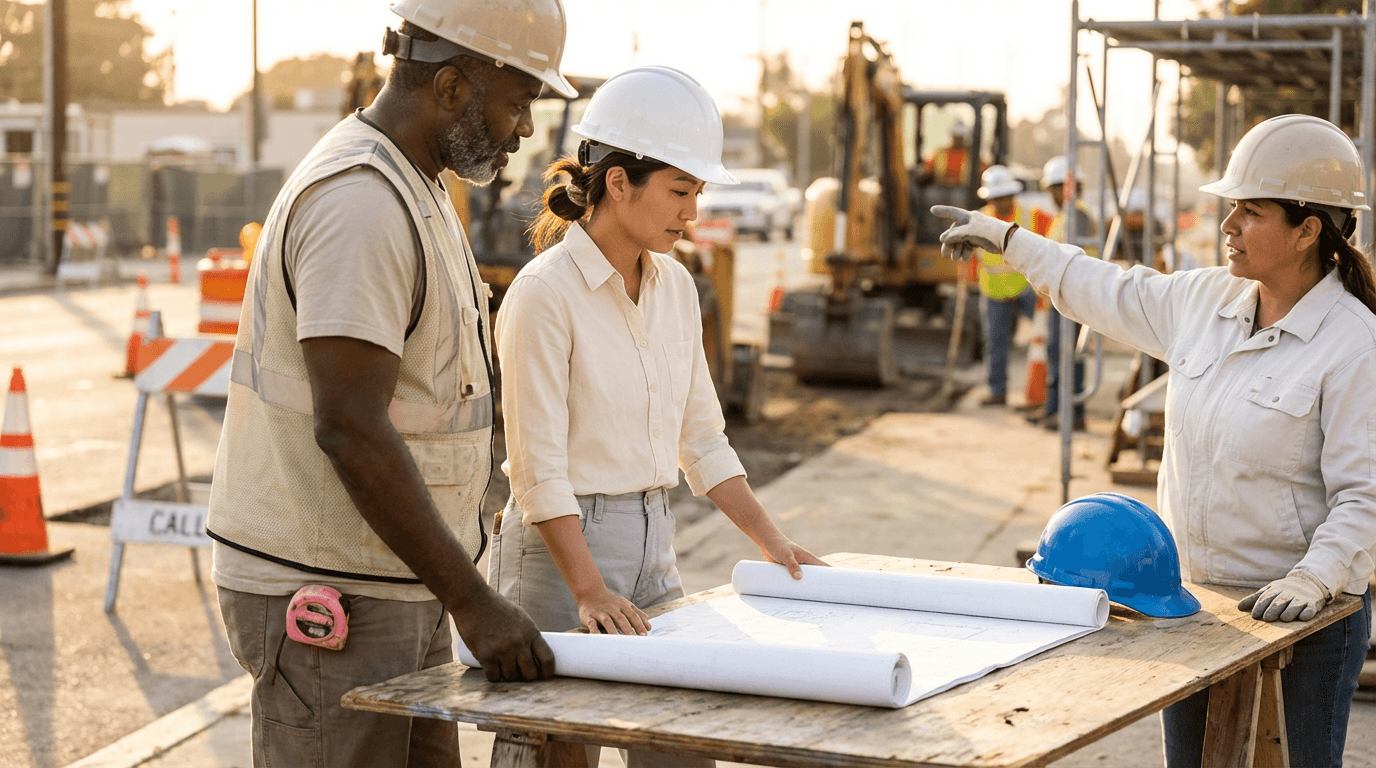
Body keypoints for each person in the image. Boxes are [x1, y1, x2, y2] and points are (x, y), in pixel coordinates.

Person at [933, 114, 1374, 768]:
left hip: (1303, 620)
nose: (1227, 226)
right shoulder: (1203, 302)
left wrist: (1316, 578)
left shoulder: (1353, 343)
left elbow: (1364, 495)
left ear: (1309, 230)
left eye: (1250, 212)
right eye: (1231, 209)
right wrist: (1011, 240)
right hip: (1196, 608)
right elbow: (1102, 287)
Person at [204, 1, 576, 764]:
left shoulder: (416, 183)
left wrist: (454, 590)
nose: (526, 129)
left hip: (393, 580)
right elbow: (350, 425)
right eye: (518, 102)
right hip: (332, 598)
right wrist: (473, 603)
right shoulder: (361, 203)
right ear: (449, 89)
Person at [490, 65, 825, 766]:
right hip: (560, 557)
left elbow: (701, 438)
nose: (692, 213)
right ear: (619, 182)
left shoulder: (675, 286)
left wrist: (773, 542)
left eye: (697, 193)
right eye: (680, 190)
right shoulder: (543, 295)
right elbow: (536, 469)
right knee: (555, 753)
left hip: (654, 544)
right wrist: (587, 590)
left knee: (681, 748)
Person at [973, 164, 1054, 406]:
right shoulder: (978, 220)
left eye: (1004, 196)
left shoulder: (1032, 216)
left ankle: (1049, 391)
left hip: (1027, 289)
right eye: (996, 197)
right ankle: (996, 391)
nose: (1001, 201)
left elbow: (1057, 235)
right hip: (993, 292)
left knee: (1045, 337)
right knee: (995, 343)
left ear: (1012, 195)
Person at [1034, 156, 1095, 431]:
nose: (1051, 196)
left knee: (1070, 358)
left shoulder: (1077, 215)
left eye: (1053, 189)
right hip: (1062, 299)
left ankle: (1072, 415)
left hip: (1073, 300)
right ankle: (1055, 410)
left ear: (1063, 187)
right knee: (1058, 357)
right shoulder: (1066, 215)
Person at [922, 120, 981, 186]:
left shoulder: (971, 155)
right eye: (956, 137)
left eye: (960, 138)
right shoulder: (941, 152)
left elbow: (981, 169)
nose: (958, 140)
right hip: (941, 186)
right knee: (932, 194)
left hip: (962, 188)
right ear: (952, 137)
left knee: (958, 195)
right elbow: (927, 167)